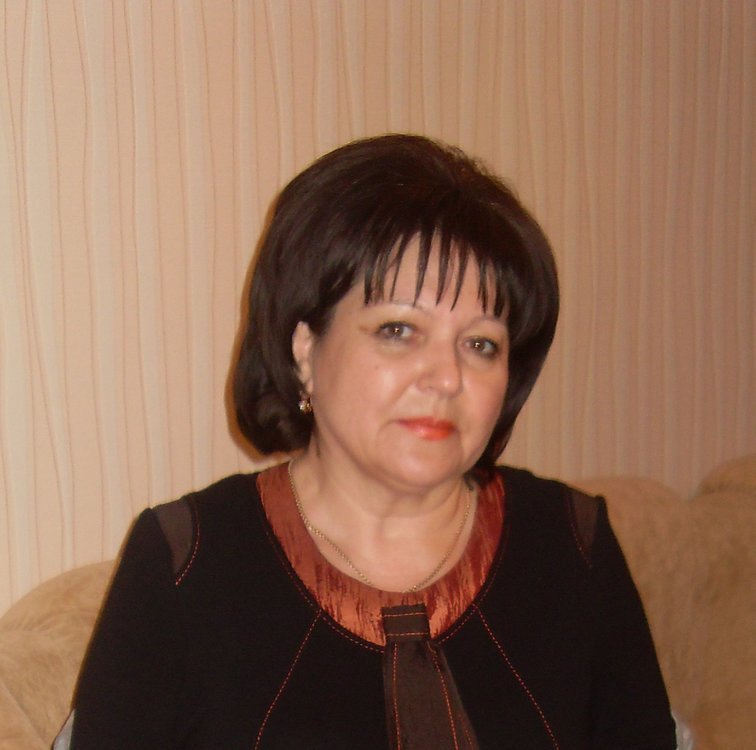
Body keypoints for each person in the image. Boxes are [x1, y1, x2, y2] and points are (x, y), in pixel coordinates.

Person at [57, 135, 676, 748]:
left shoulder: (572, 543)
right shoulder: (187, 563)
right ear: (305, 350)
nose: (447, 377)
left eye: (480, 343)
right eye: (398, 330)